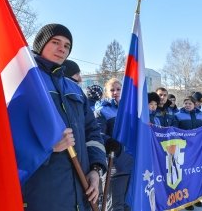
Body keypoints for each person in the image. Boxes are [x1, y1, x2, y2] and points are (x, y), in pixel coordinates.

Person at [22, 23, 107, 211]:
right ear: (41, 44)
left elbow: (92, 132)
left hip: (81, 191)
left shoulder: (75, 89)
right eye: (55, 42)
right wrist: (49, 148)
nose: (62, 49)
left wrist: (96, 169)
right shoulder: (25, 83)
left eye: (67, 46)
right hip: (44, 196)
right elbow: (10, 137)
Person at [94, 78, 132, 211]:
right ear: (106, 92)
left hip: (132, 164)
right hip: (115, 164)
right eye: (112, 90)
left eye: (118, 89)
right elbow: (97, 133)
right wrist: (109, 141)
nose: (115, 92)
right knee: (115, 205)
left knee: (129, 203)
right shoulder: (102, 110)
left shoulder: (130, 109)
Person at [173, 96, 202, 210]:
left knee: (196, 174)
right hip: (185, 149)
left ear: (195, 104)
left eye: (189, 103)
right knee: (186, 174)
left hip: (198, 150)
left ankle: (196, 198)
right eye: (185, 103)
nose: (187, 105)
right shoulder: (178, 116)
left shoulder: (201, 115)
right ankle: (186, 200)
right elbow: (174, 130)